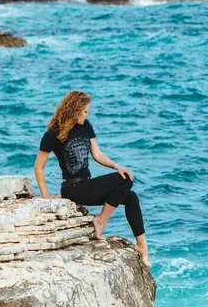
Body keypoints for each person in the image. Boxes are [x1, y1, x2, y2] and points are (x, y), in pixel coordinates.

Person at [33, 90, 151, 268]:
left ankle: (142, 245)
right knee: (126, 181)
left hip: (87, 185)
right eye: (85, 110)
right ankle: (101, 220)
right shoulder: (53, 134)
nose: (87, 114)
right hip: (72, 188)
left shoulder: (85, 126)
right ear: (76, 110)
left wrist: (117, 166)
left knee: (131, 196)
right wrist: (46, 197)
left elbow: (97, 154)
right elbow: (38, 167)